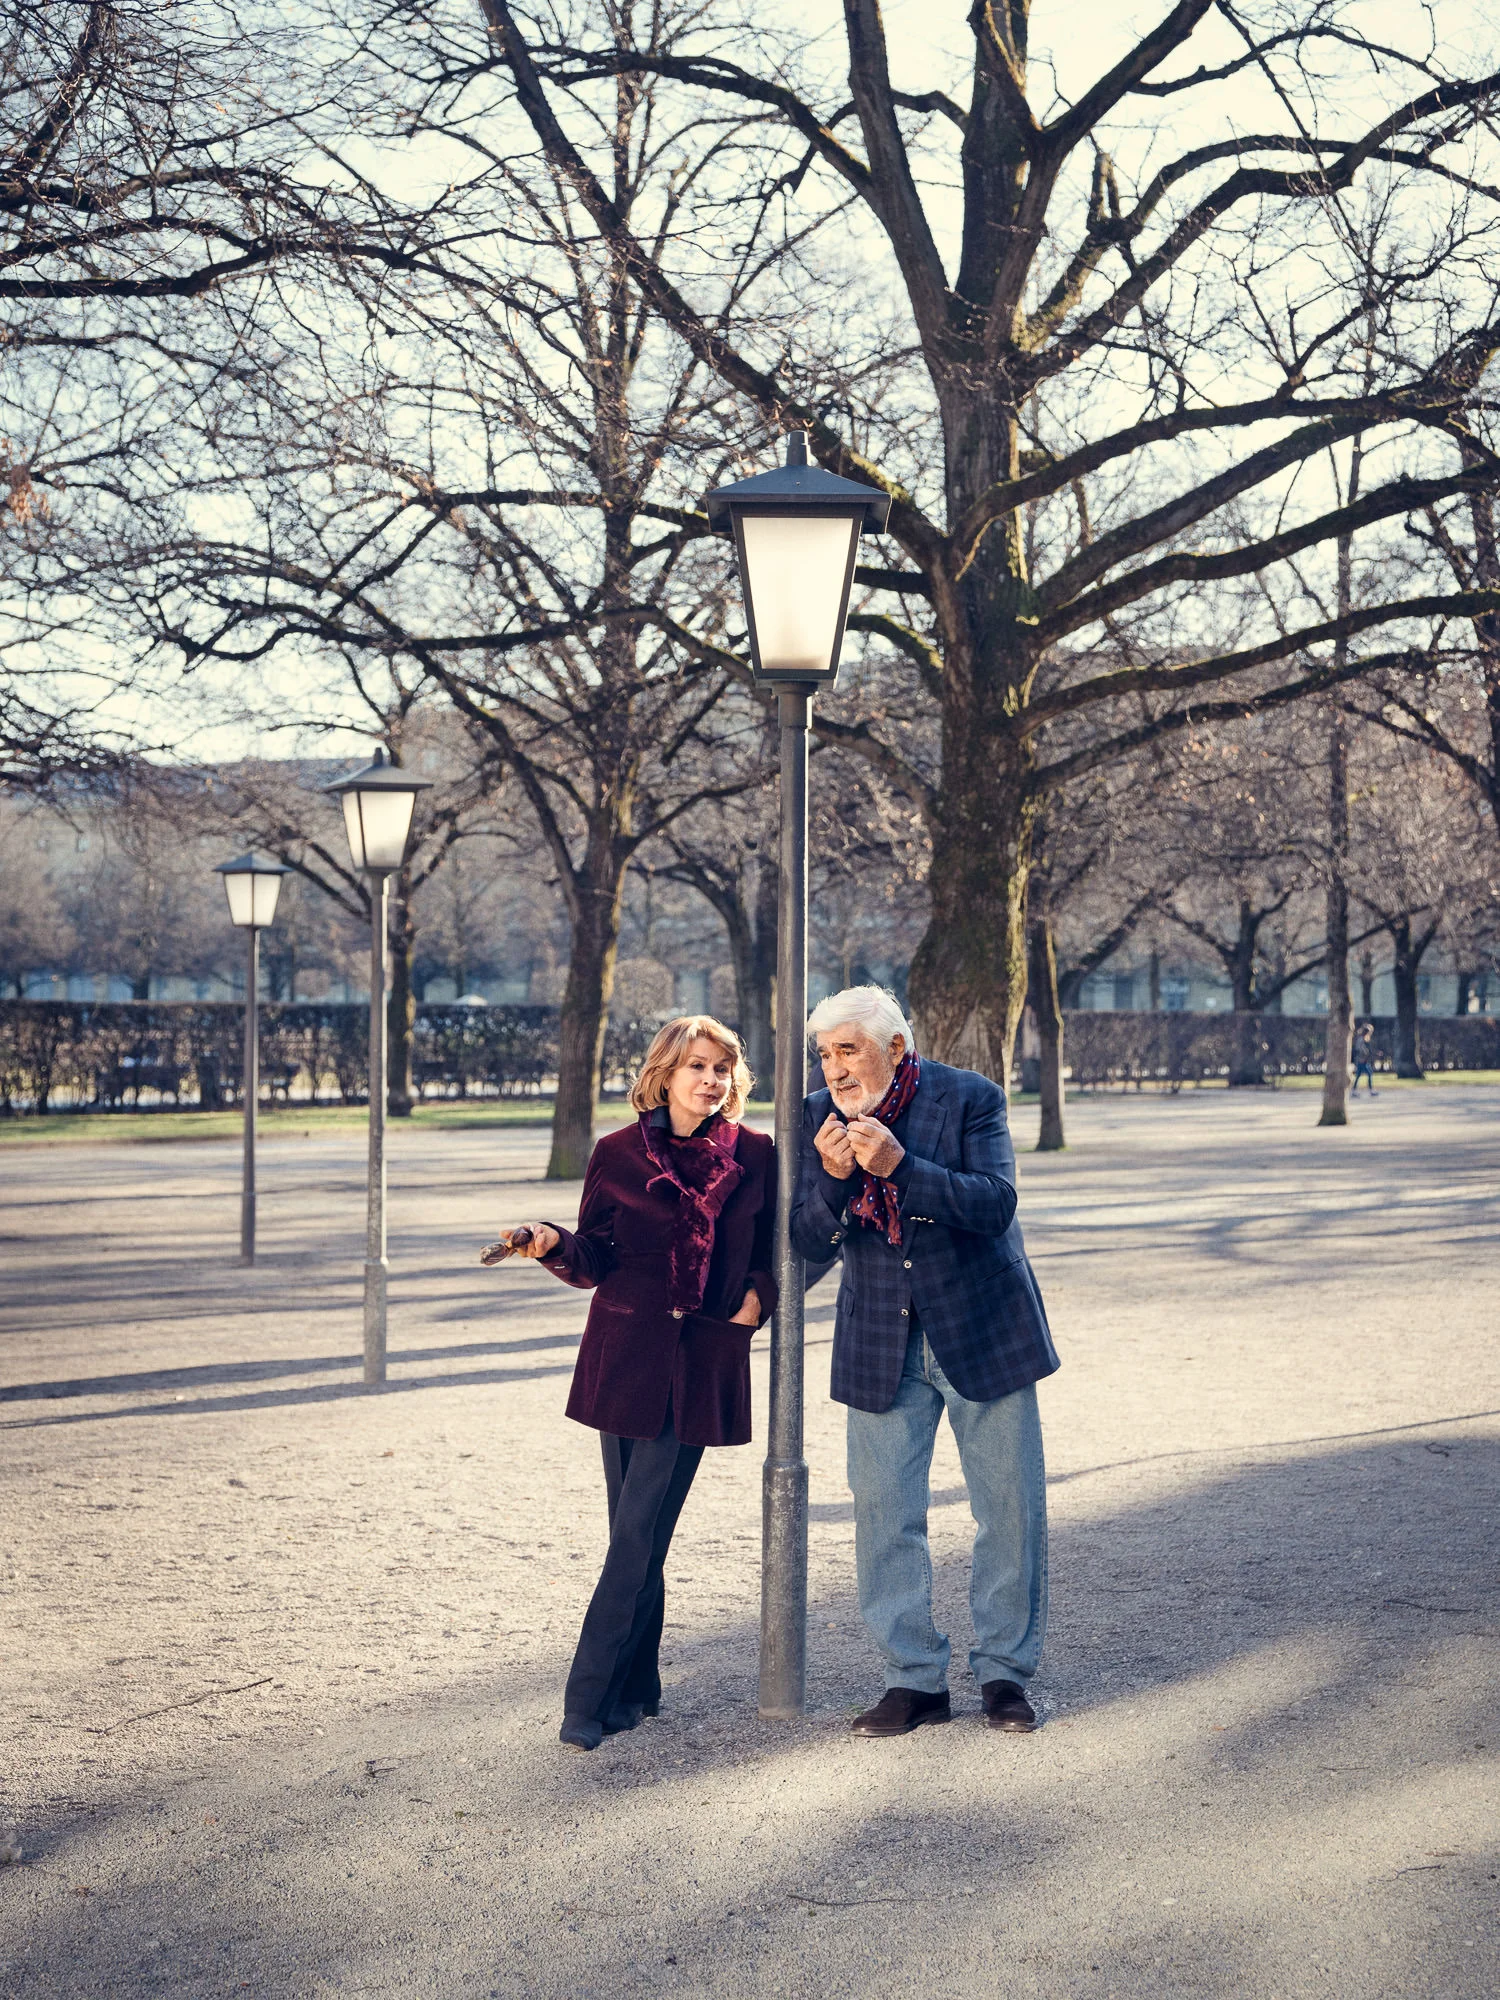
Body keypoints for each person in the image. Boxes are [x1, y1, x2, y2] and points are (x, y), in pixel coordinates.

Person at [494, 1016, 775, 1752]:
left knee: (637, 1532)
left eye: (722, 1068)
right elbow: (595, 1254)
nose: (711, 1080)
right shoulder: (616, 1153)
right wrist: (551, 1241)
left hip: (702, 1358)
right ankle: (639, 1686)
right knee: (635, 1533)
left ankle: (586, 1698)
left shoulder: (756, 1153)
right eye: (697, 1067)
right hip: (623, 1358)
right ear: (664, 1074)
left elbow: (775, 1251)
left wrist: (757, 1302)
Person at [791, 986, 1058, 1738]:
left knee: (1007, 1511)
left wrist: (904, 1167)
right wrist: (839, 1182)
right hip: (879, 1339)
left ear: (896, 1047)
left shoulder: (971, 1097)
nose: (835, 1069)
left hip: (982, 1327)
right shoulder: (817, 1117)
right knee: (884, 1516)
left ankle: (1005, 1674)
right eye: (825, 1053)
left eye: (849, 1050)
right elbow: (807, 1244)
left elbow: (995, 1204)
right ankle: (913, 1682)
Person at [1352, 1021, 1377, 1094]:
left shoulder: (1363, 1039)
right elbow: (1360, 1049)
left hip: (1364, 1060)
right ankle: (1370, 1090)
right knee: (1369, 1073)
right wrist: (1365, 1054)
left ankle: (1354, 1090)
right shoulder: (1361, 1040)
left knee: (1359, 1075)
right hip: (1362, 1060)